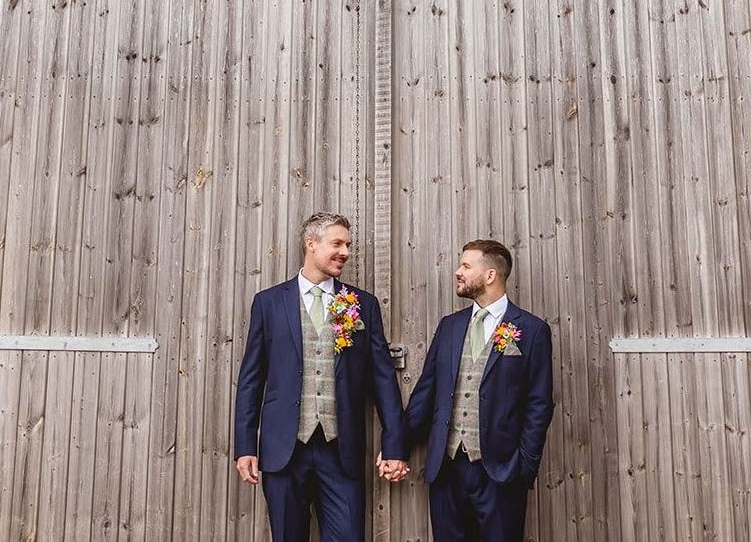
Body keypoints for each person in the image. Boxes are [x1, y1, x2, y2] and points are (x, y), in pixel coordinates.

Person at [234, 212, 409, 542]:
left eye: (348, 245)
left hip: (340, 451)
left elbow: (383, 379)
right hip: (282, 451)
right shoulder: (268, 303)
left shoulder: (363, 305)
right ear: (310, 244)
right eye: (337, 243)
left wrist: (395, 444)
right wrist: (245, 446)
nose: (345, 251)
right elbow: (251, 380)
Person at [403, 239, 553, 541]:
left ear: (490, 276)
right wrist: (397, 447)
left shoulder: (532, 330)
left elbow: (540, 403)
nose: (458, 272)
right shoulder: (449, 326)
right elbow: (426, 392)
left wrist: (524, 467)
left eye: (466, 266)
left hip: (501, 472)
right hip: (446, 470)